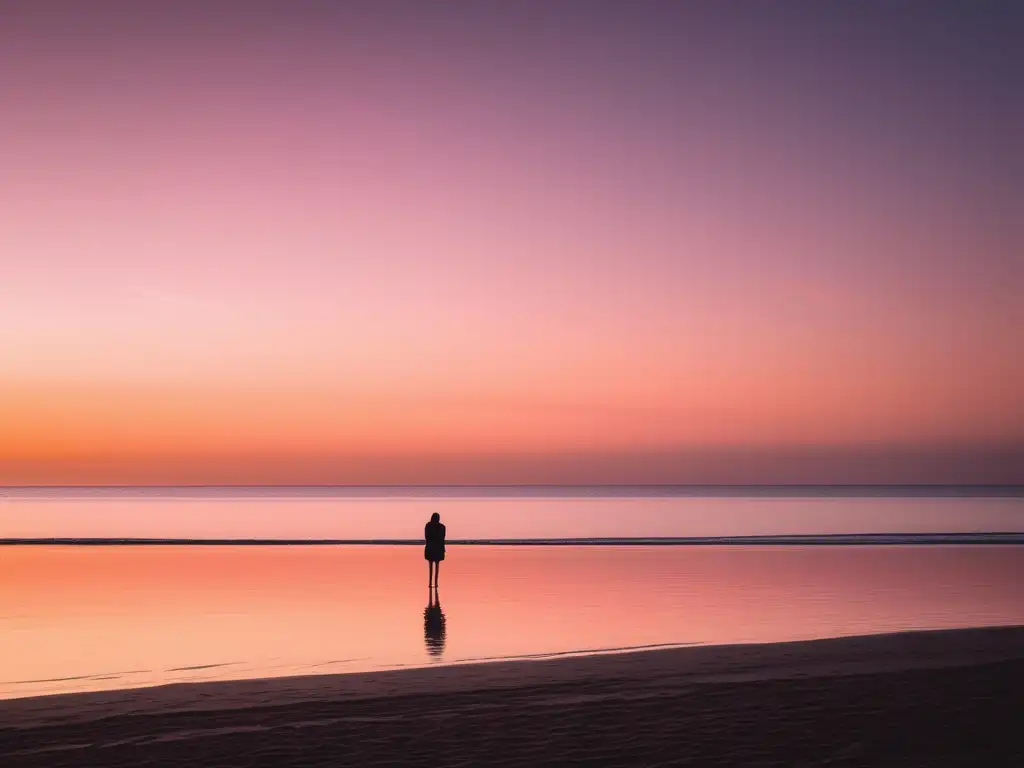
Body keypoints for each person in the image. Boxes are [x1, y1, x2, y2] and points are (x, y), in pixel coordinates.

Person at [424, 512, 446, 587]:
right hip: (438, 548)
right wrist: (443, 549)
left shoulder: (428, 525)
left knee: (430, 566)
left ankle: (430, 583)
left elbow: (426, 537)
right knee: (437, 566)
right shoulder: (442, 527)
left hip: (430, 548)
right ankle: (436, 583)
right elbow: (442, 539)